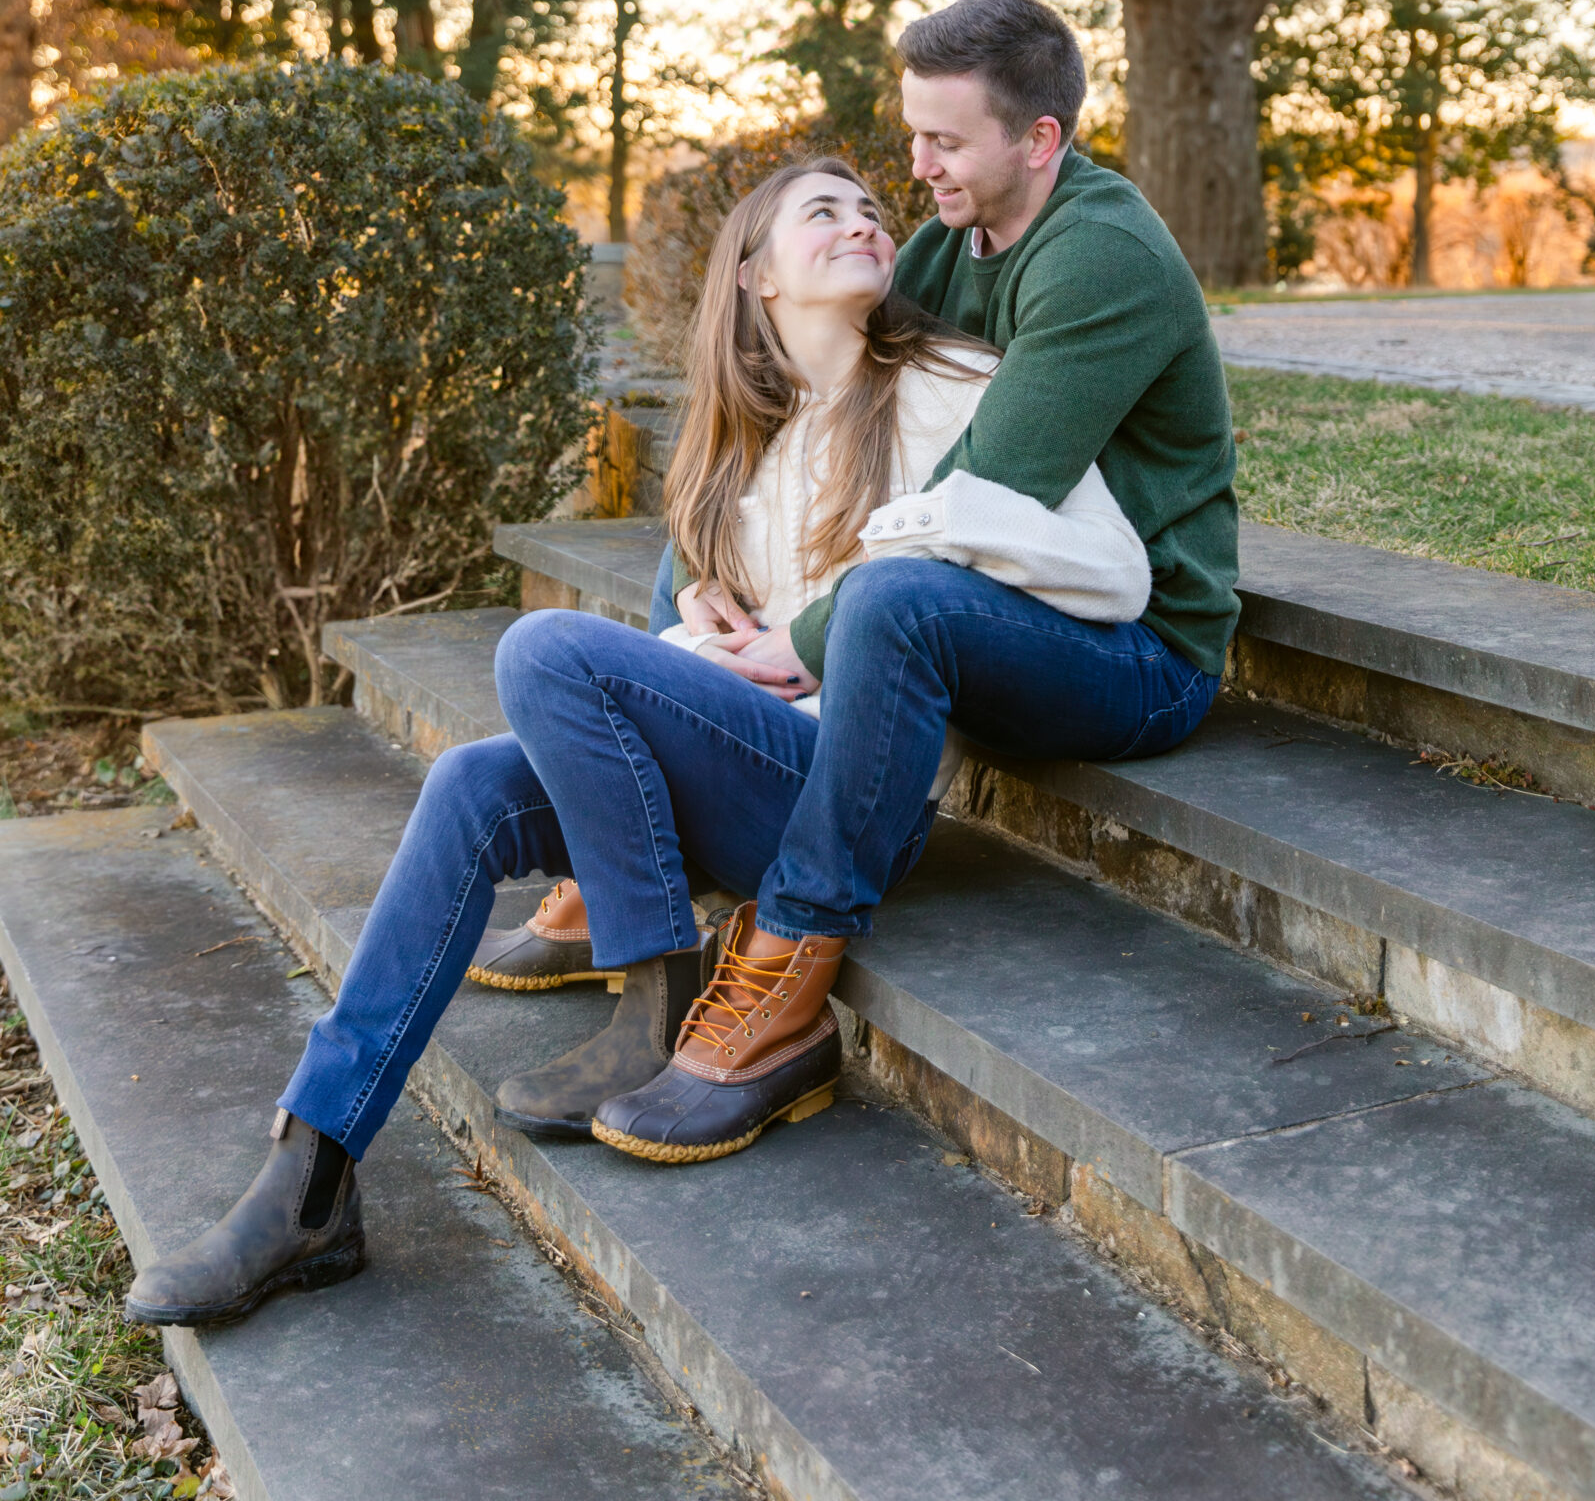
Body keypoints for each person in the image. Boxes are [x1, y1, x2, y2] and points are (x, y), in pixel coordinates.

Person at [124, 137, 1166, 1326]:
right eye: (822, 212)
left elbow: (1104, 563)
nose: (866, 220)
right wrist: (704, 644)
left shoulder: (953, 384)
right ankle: (310, 1171)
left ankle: (656, 989)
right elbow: (685, 674)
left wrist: (893, 565)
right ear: (755, 277)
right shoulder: (741, 455)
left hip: (847, 796)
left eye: (873, 208)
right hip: (743, 768)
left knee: (543, 646)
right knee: (472, 784)